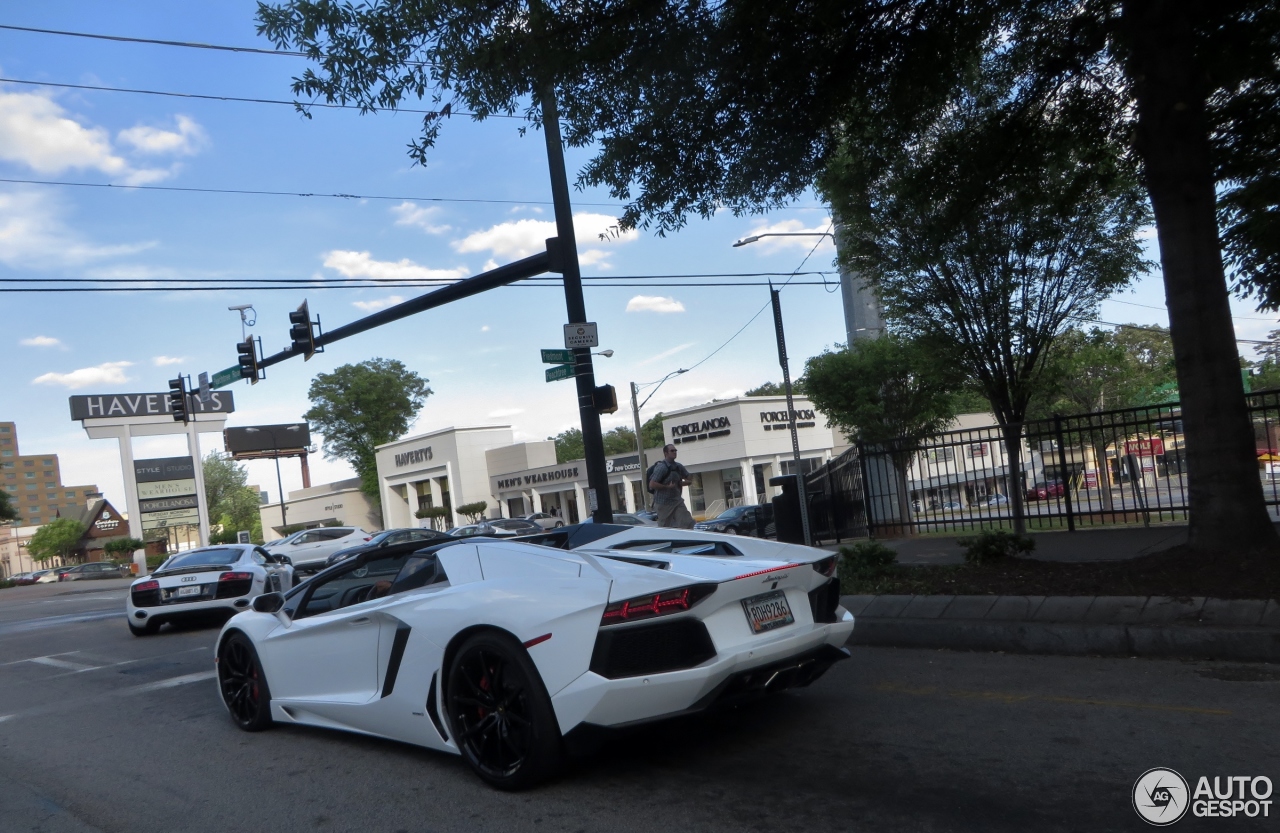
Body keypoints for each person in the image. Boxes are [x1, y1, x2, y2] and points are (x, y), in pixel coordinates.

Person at [649, 444, 694, 528]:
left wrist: (684, 482)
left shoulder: (678, 467)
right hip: (663, 503)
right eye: (672, 451)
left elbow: (689, 478)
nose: (674, 452)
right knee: (665, 527)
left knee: (687, 523)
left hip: (677, 501)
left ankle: (687, 540)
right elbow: (652, 484)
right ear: (666, 453)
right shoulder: (662, 467)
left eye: (675, 450)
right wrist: (666, 487)